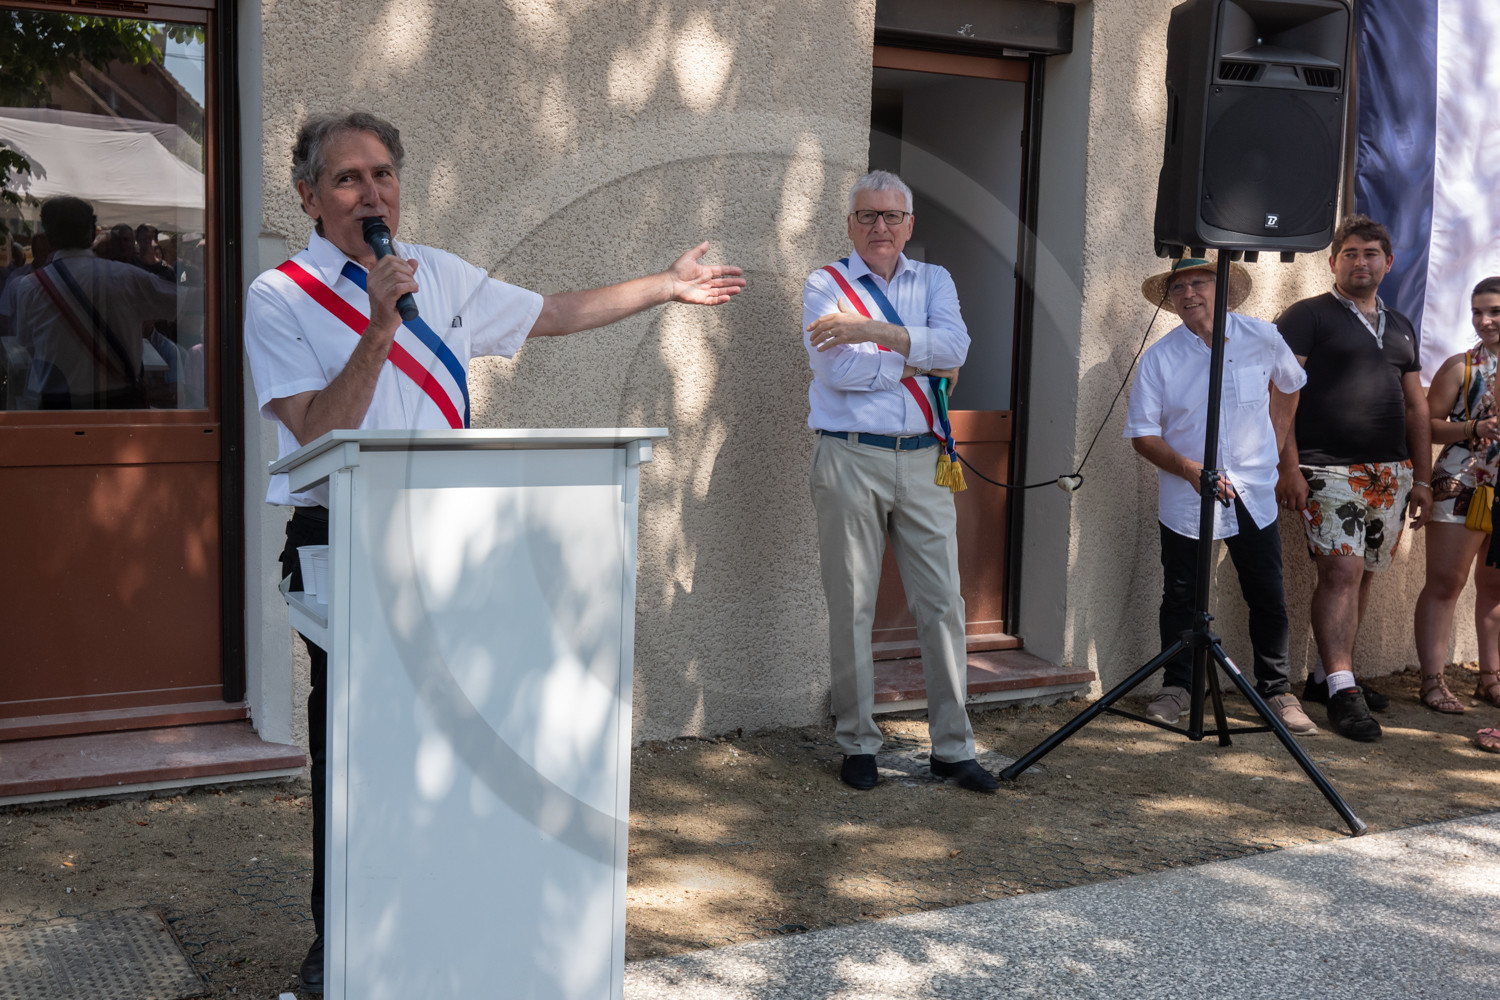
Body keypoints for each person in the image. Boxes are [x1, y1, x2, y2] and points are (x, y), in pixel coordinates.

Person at [242, 110, 744, 994]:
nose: (372, 192)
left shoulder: (436, 272)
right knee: (358, 749)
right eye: (349, 178)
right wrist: (380, 326)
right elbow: (316, 429)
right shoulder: (279, 296)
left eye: (384, 173)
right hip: (346, 539)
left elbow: (551, 313)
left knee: (461, 735)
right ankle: (344, 942)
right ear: (310, 196)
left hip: (459, 536)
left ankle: (453, 921)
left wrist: (664, 287)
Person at [803, 169, 997, 795]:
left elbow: (957, 350)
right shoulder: (824, 284)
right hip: (850, 457)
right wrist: (919, 357)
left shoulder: (935, 280)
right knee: (851, 605)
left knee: (942, 605)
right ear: (850, 224)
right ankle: (857, 743)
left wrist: (871, 332)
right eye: (867, 216)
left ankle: (953, 749)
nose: (880, 227)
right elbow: (837, 373)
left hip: (924, 459)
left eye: (892, 216)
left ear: (909, 224)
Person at [1124, 255, 1317, 737]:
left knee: (1266, 591)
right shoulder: (1160, 358)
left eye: (1199, 282)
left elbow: (1290, 385)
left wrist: (1276, 443)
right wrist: (1187, 469)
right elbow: (1142, 435)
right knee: (1181, 594)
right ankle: (1178, 687)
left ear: (1224, 287)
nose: (1188, 293)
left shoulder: (1263, 337)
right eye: (1178, 287)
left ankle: (1277, 690)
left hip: (1253, 489)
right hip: (1187, 492)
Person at [1275, 215, 1433, 740]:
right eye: (1350, 253)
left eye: (1370, 253)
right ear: (1333, 262)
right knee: (1341, 572)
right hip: (1326, 468)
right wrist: (1288, 466)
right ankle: (1344, 691)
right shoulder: (1307, 316)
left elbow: (1416, 407)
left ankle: (1326, 677)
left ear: (1388, 262)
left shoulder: (1402, 324)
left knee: (1363, 573)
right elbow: (1281, 395)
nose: (1360, 262)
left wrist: (1423, 478)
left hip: (1390, 472)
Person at [1412, 276, 1500, 714]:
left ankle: (1490, 679)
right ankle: (1432, 681)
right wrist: (1472, 427)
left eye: (1495, 311)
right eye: (1477, 312)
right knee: (1446, 582)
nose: (1485, 320)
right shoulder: (1461, 367)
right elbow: (1425, 425)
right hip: (1461, 484)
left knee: (1496, 586)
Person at [5, 197, 175, 409]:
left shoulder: (30, 286)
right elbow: (187, 303)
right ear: (93, 231)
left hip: (57, 409)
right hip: (120, 408)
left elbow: (27, 342)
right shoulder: (130, 278)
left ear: (48, 237)